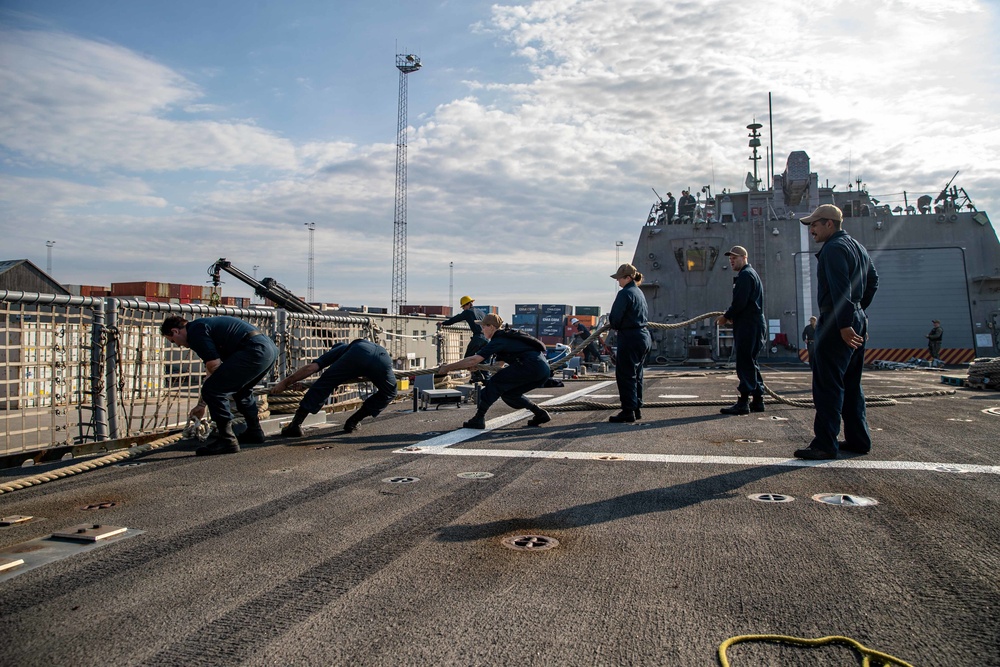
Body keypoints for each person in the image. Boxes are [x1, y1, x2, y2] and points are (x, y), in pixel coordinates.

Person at [794, 203, 878, 460]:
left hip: (836, 322)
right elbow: (873, 281)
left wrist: (843, 323)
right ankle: (858, 439)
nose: (811, 230)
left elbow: (840, 288)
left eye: (815, 225)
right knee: (852, 384)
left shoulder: (833, 249)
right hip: (857, 318)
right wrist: (858, 312)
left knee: (828, 384)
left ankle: (825, 444)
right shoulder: (858, 248)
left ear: (829, 223)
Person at [161, 315, 278, 456]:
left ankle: (227, 439)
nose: (178, 345)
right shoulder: (202, 325)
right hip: (268, 349)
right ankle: (255, 431)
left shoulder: (195, 332)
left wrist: (204, 401)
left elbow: (214, 367)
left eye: (173, 341)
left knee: (213, 391)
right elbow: (214, 369)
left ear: (175, 331)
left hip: (254, 350)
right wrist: (202, 404)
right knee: (242, 390)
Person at [436, 314, 551, 430]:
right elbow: (498, 365)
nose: (482, 329)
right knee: (510, 394)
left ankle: (478, 418)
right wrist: (479, 367)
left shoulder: (499, 340)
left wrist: (447, 368)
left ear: (491, 327)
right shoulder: (506, 337)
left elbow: (473, 359)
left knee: (494, 383)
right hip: (543, 370)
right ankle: (540, 414)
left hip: (530, 366)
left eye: (483, 327)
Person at [271, 339, 397, 438]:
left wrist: (285, 383)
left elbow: (311, 368)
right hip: (382, 357)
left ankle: (295, 425)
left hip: (359, 353)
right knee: (390, 392)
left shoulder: (340, 350)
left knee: (324, 384)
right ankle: (353, 421)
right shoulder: (356, 347)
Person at [716, 246, 766, 415]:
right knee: (752, 362)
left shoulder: (745, 276)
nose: (731, 260)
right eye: (730, 258)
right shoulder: (752, 274)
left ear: (744, 257)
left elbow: (740, 302)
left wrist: (726, 316)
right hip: (754, 323)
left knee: (744, 363)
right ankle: (758, 400)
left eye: (735, 258)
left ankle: (743, 402)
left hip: (748, 325)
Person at [608, 263, 651, 423]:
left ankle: (628, 411)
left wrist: (614, 324)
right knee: (637, 374)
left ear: (628, 277)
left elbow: (615, 319)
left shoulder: (625, 293)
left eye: (619, 277)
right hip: (643, 336)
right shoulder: (639, 292)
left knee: (625, 375)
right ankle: (636, 408)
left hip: (630, 337)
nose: (618, 280)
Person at [438, 295, 488, 383]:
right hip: (487, 338)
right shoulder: (481, 312)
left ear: (467, 305)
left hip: (478, 338)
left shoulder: (468, 312)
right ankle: (486, 379)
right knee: (482, 359)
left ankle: (477, 376)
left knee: (468, 358)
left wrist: (443, 323)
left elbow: (456, 319)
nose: (463, 309)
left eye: (463, 307)